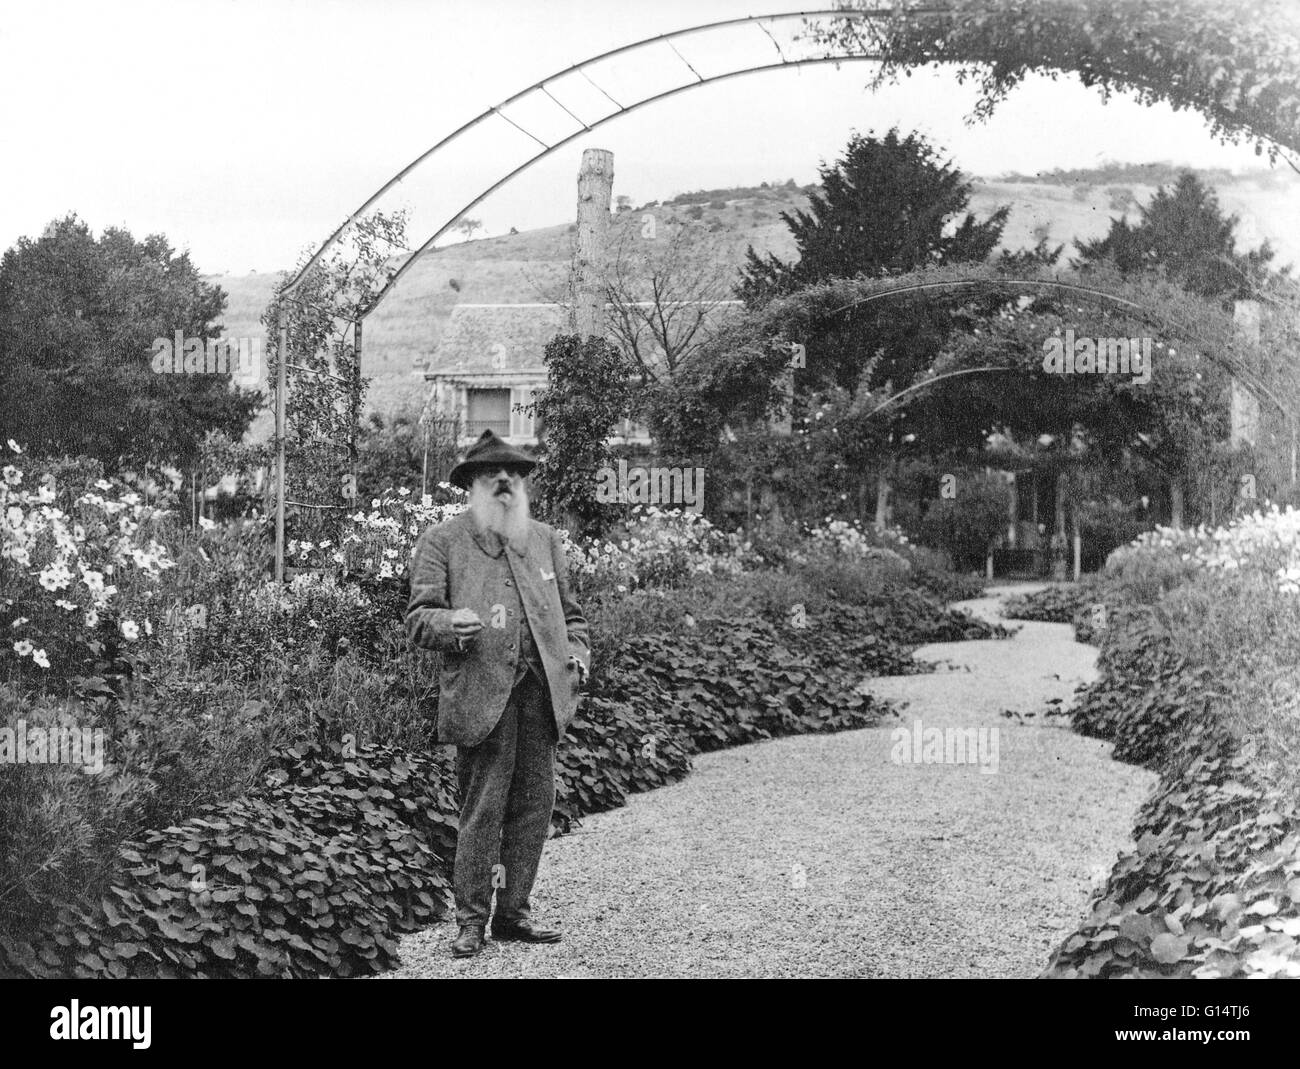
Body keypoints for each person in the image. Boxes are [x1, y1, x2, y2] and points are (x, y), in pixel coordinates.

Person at [405, 430, 591, 958]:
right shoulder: (443, 542)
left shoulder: (546, 540)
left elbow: (573, 619)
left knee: (534, 806)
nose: (506, 482)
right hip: (483, 693)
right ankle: (470, 921)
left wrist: (576, 658)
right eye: (493, 475)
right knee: (483, 808)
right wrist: (448, 623)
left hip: (542, 694)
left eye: (515, 474)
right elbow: (418, 619)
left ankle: (513, 913)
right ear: (472, 485)